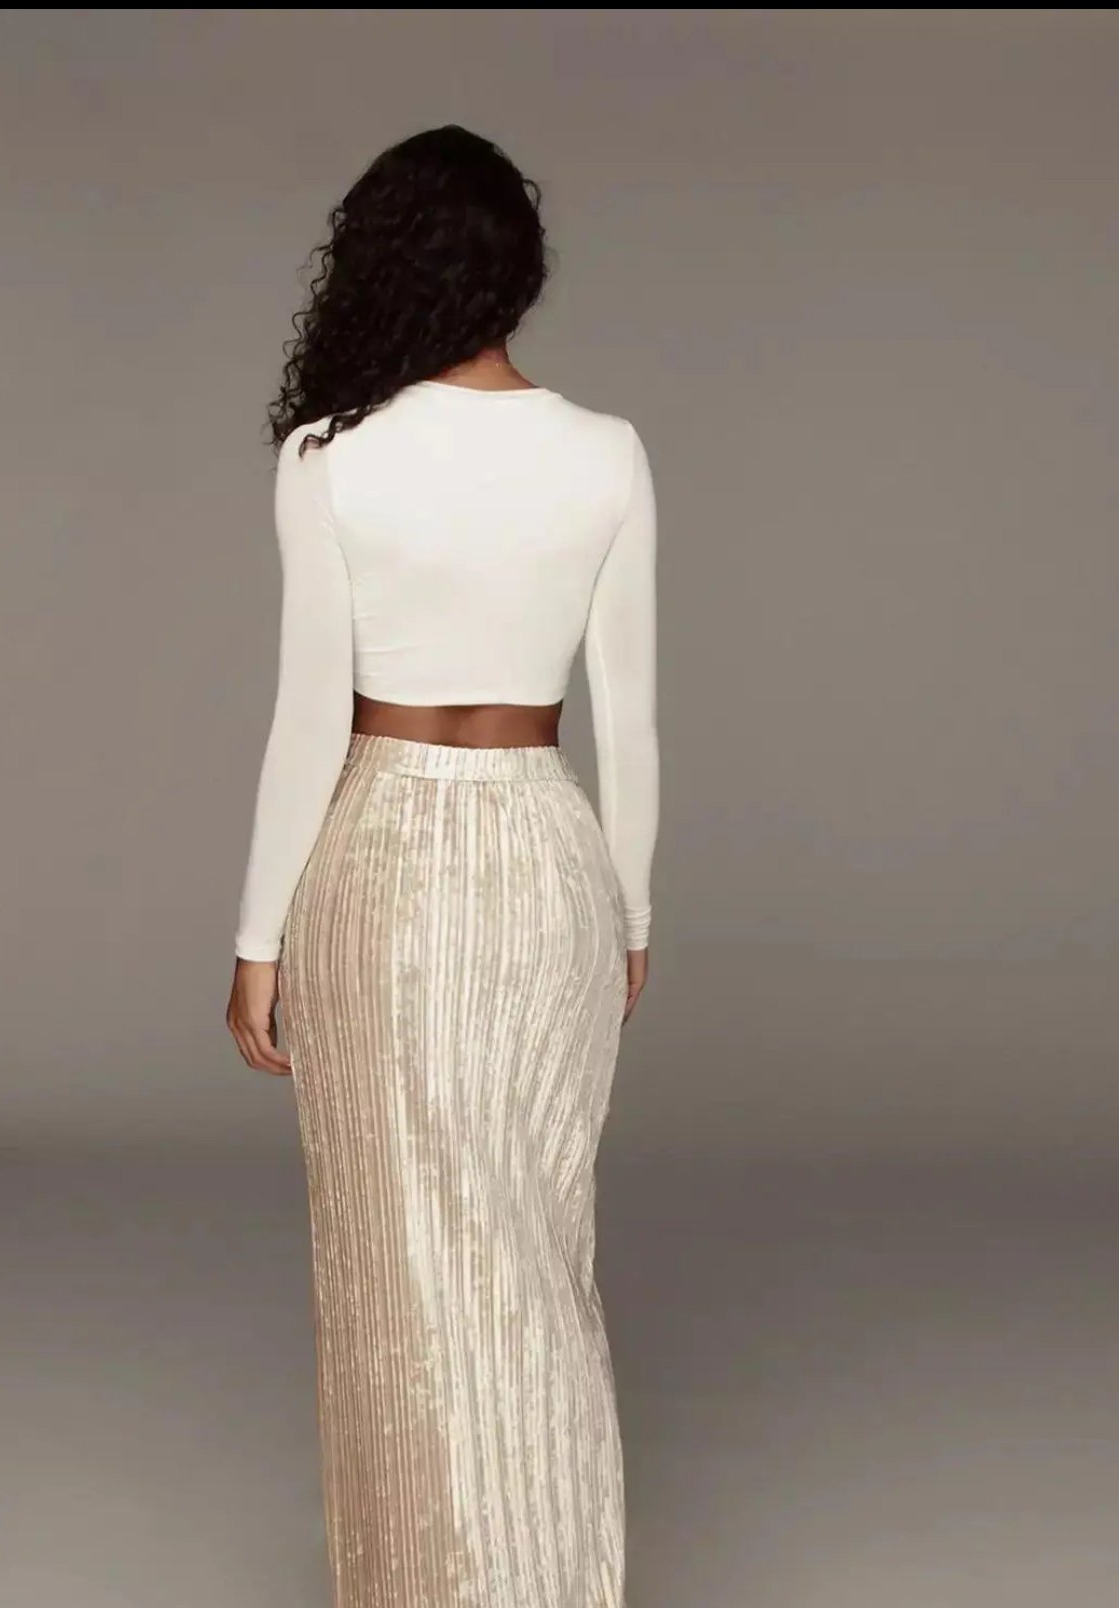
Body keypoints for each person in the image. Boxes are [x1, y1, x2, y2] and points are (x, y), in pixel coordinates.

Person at [226, 124, 657, 1608]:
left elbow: (307, 711)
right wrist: (632, 910)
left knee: (401, 1268)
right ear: (517, 275)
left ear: (380, 269)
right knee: (537, 1245)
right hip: (549, 854)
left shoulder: (327, 457)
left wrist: (257, 937)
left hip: (382, 860)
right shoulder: (605, 452)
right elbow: (631, 715)